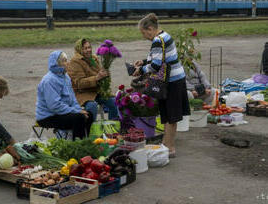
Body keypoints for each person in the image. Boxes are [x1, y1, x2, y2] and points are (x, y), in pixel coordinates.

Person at [133, 13, 190, 158]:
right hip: (176, 79)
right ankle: (167, 145)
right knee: (170, 115)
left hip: (171, 82)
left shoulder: (158, 40)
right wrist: (144, 61)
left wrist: (140, 70)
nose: (144, 36)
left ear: (150, 28)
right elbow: (159, 57)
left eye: (143, 32)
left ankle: (169, 148)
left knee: (170, 116)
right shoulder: (164, 36)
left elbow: (156, 66)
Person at [36, 50, 92, 140]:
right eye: (65, 61)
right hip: (48, 116)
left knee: (89, 115)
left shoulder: (65, 76)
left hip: (61, 112)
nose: (68, 63)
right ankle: (77, 146)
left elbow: (72, 98)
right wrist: (75, 111)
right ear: (57, 64)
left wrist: (77, 109)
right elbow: (54, 105)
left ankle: (85, 141)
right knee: (79, 118)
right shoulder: (49, 80)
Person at [67, 38, 119, 121]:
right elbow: (80, 83)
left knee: (114, 101)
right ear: (79, 50)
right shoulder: (75, 62)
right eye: (85, 48)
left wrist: (105, 75)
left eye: (89, 47)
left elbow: (99, 74)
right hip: (82, 93)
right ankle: (90, 130)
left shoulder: (93, 58)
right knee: (92, 106)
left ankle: (112, 127)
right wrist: (97, 78)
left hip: (95, 91)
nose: (88, 50)